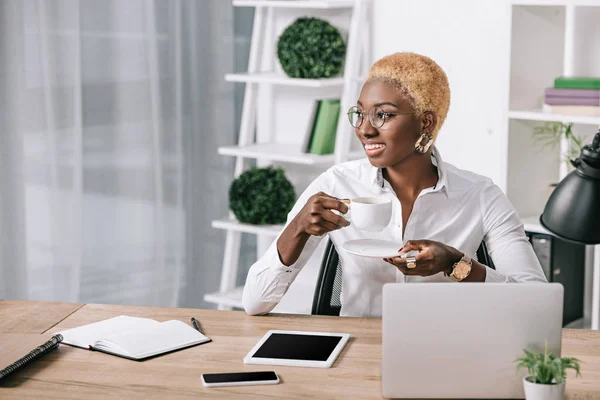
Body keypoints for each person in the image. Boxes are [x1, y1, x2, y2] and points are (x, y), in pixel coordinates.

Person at [242, 52, 547, 317]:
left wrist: (455, 263)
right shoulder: (336, 183)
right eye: (360, 114)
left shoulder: (481, 196)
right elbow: (255, 303)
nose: (364, 130)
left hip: (448, 350)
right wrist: (297, 228)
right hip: (358, 352)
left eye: (382, 115)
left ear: (425, 123)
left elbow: (537, 303)